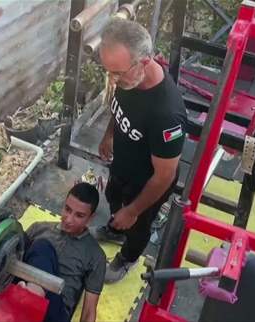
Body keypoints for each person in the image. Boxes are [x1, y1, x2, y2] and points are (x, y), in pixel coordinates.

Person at [92, 18, 188, 283]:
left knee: (138, 225)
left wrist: (133, 210)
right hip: (123, 163)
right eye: (108, 72)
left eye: (118, 73)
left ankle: (128, 257)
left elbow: (164, 176)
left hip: (148, 183)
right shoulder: (128, 79)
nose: (112, 79)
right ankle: (117, 228)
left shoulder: (167, 115)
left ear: (144, 62)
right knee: (113, 197)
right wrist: (109, 133)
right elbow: (119, 104)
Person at [20, 182, 106, 322]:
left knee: (43, 247)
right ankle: (25, 297)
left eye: (79, 215)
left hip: (53, 311)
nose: (69, 219)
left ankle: (29, 298)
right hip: (22, 286)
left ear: (90, 218)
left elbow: (89, 311)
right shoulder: (39, 228)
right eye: (67, 209)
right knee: (15, 234)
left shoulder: (96, 256)